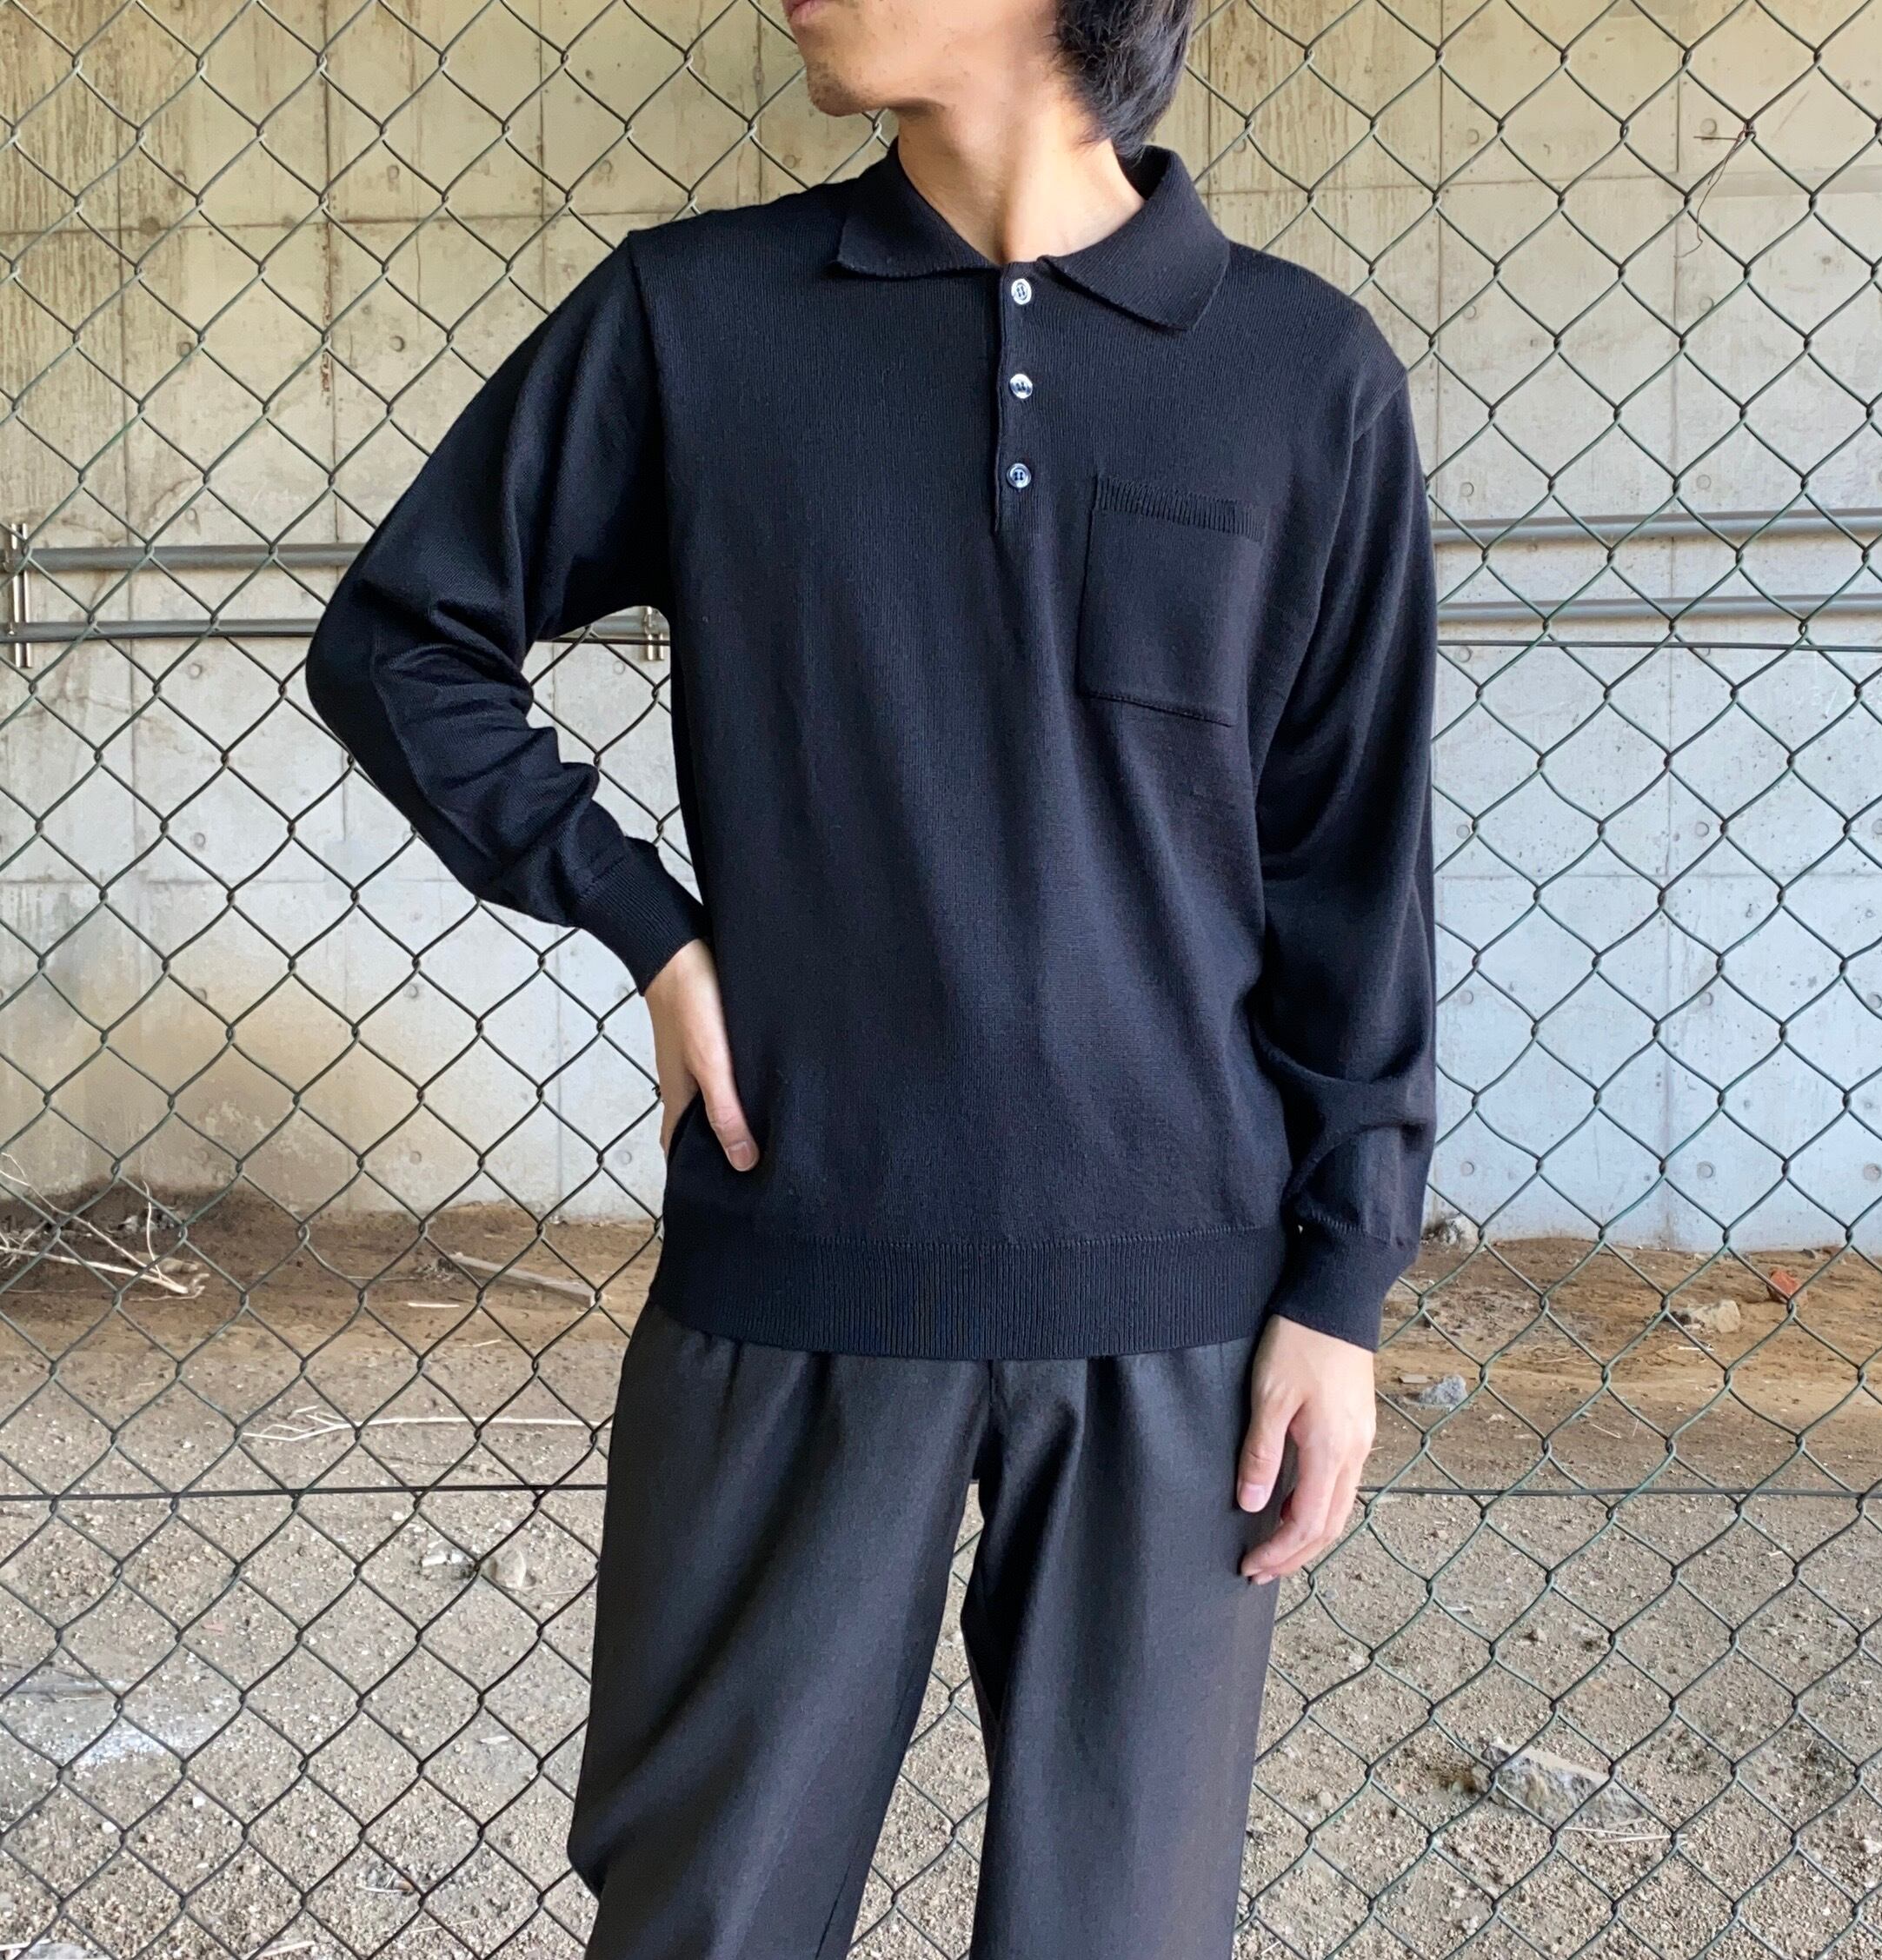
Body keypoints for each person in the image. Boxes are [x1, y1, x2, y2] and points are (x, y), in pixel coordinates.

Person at [305, 0, 1439, 1950]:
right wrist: (647, 925)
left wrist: (1341, 1289)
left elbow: (1351, 867)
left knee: (1121, 1931)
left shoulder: (1300, 373)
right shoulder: (698, 321)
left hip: (1175, 1302)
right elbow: (403, 641)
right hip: (800, 1253)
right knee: (709, 1914)